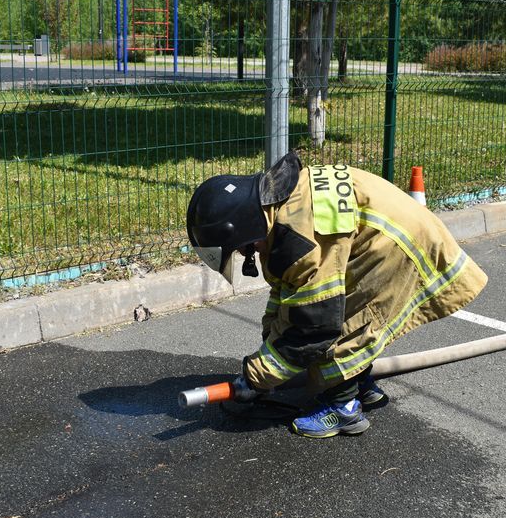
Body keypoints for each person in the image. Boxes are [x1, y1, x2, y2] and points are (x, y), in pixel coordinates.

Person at [186, 152, 488, 438]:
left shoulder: (296, 241)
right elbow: (288, 293)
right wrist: (271, 346)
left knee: (339, 328)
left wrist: (257, 377)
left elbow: (313, 328)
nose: (244, 254)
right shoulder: (283, 206)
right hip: (395, 234)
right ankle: (359, 383)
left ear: (245, 227)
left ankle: (343, 409)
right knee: (324, 325)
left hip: (398, 248)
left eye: (241, 248)